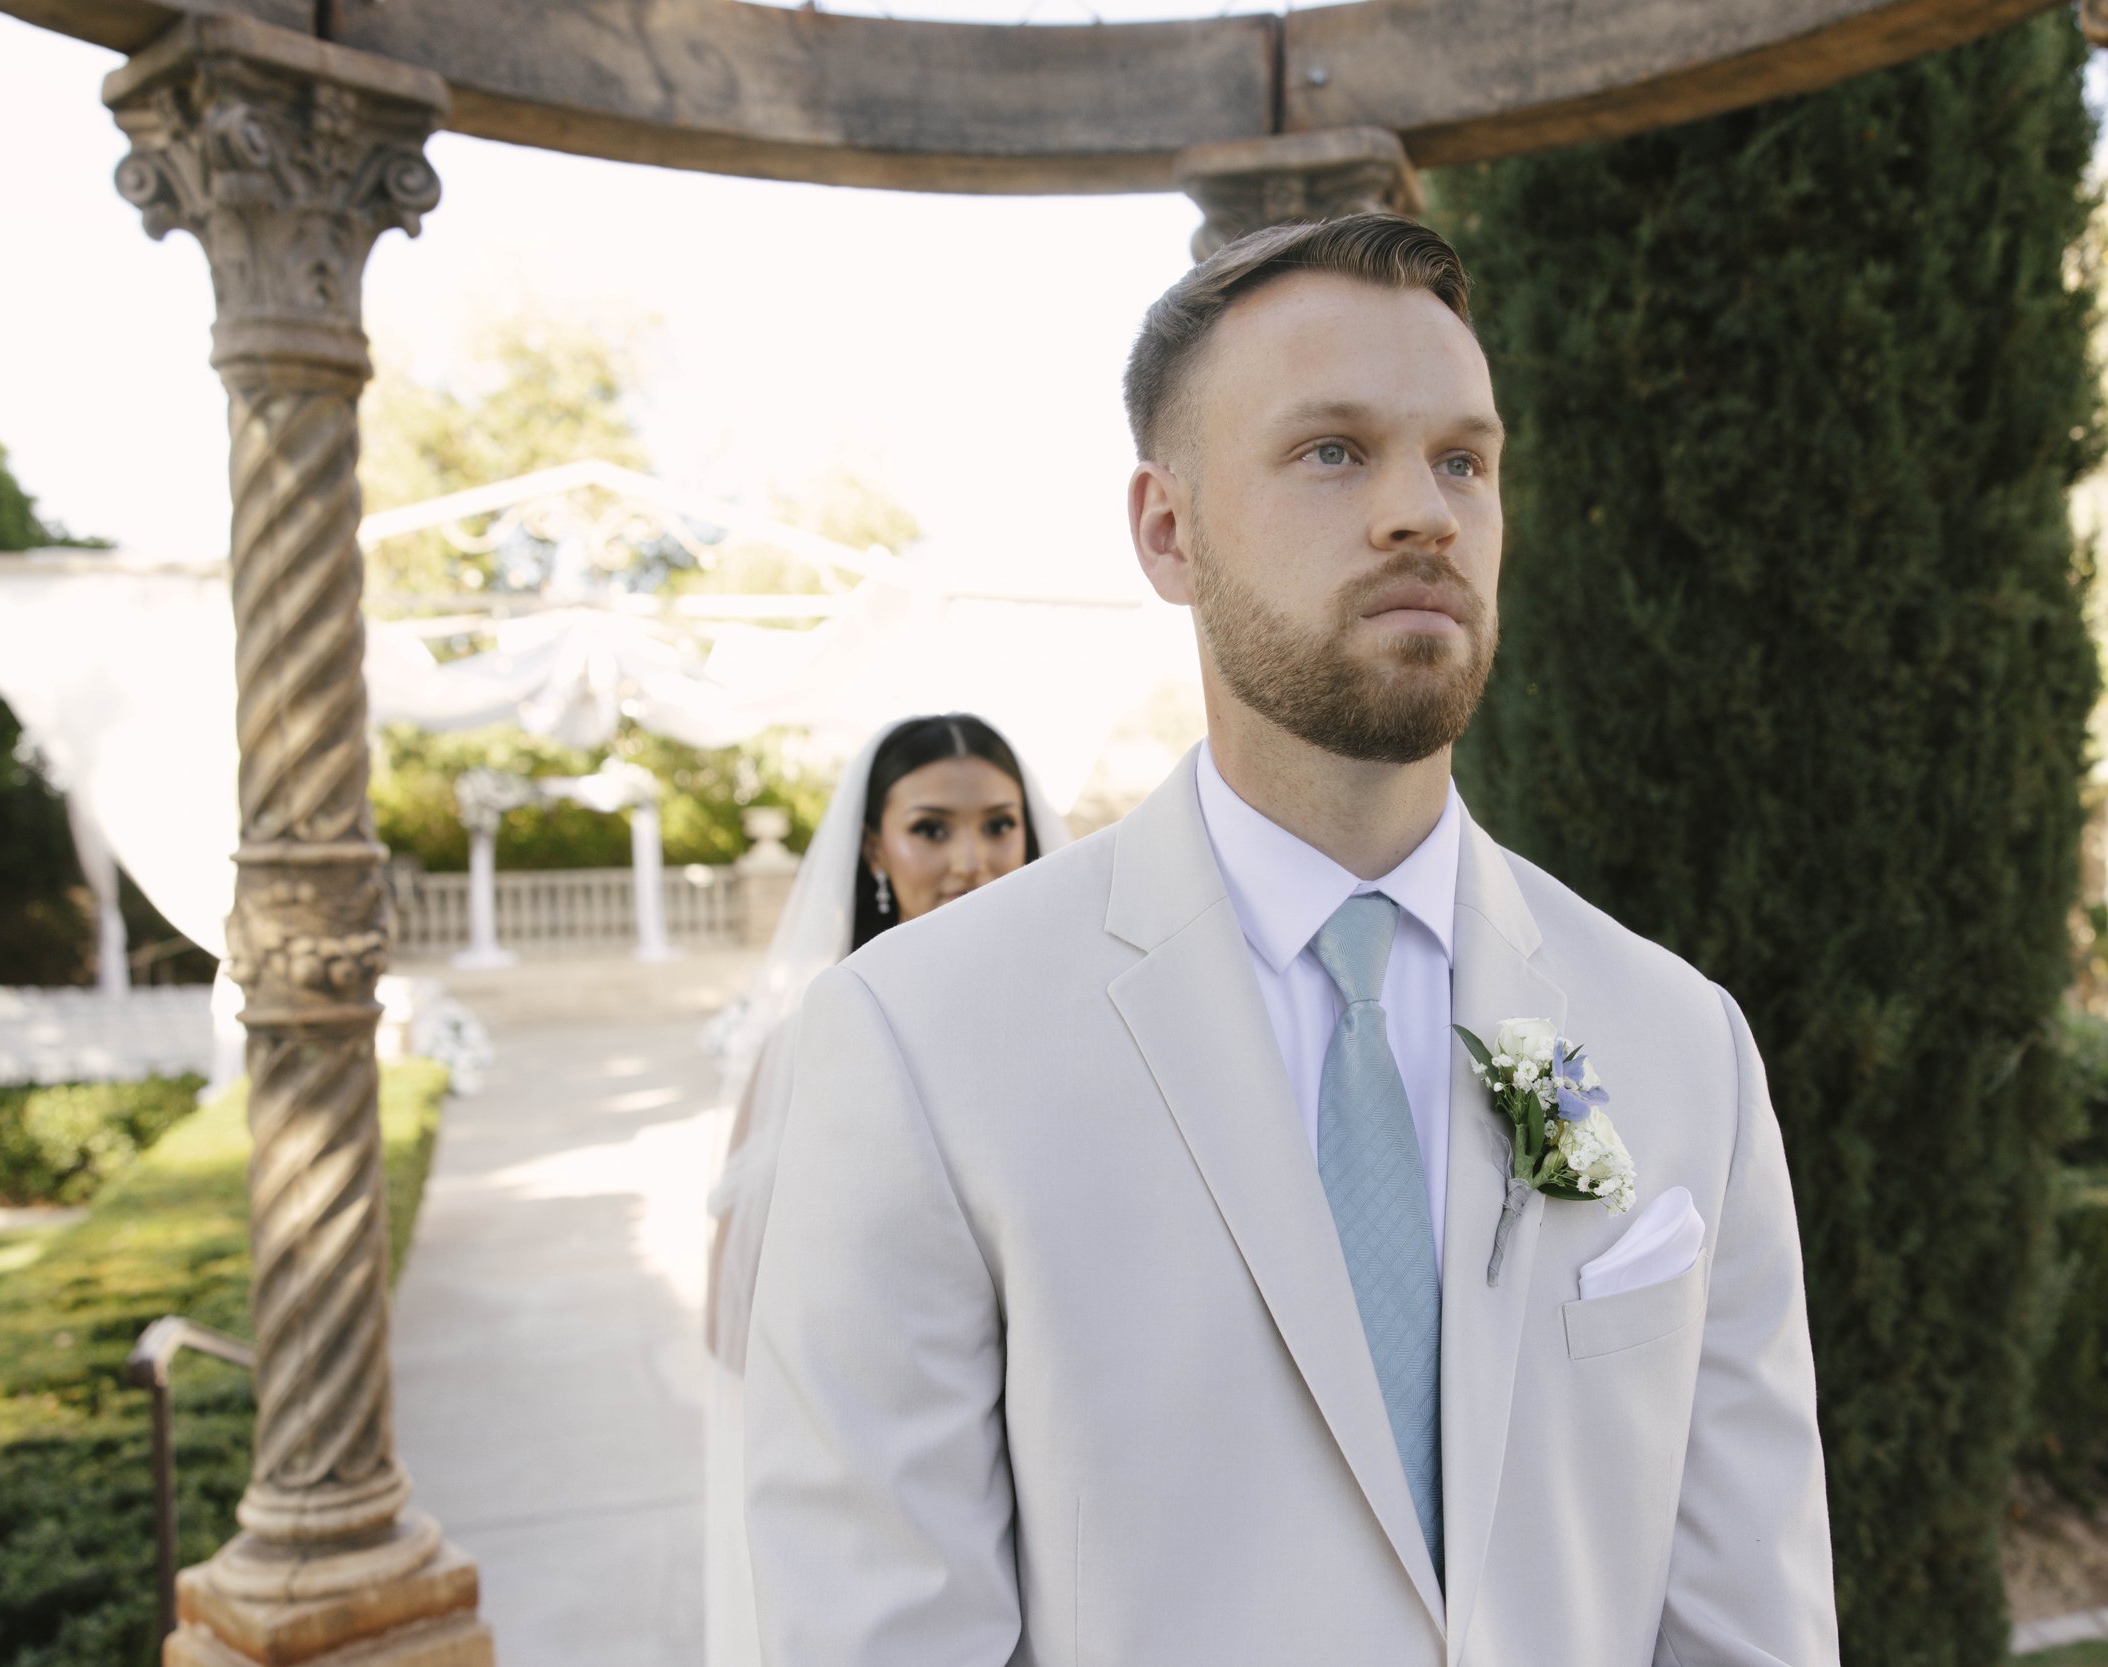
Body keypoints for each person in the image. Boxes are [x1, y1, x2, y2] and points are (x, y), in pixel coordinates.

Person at [744, 216, 1838, 1664]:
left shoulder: (1675, 1039)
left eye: (1463, 459)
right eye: (1333, 449)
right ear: (1167, 529)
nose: (1422, 512)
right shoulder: (919, 1042)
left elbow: (1750, 1610)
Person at [703, 713, 1069, 1667]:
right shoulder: (817, 1043)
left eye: (998, 825)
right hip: (904, 1502)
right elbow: (731, 1315)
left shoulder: (1080, 1027)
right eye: (932, 828)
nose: (971, 860)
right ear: (875, 846)